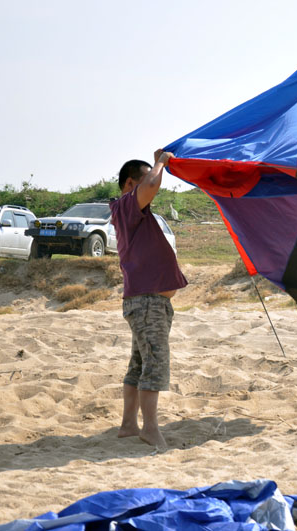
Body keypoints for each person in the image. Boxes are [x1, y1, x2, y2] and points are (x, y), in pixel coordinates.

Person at [111, 149, 187, 449]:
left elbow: (150, 187)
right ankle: (150, 429)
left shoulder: (130, 210)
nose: (151, 186)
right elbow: (152, 184)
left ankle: (129, 425)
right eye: (142, 181)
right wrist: (160, 162)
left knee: (139, 364)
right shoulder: (128, 204)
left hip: (146, 302)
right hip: (147, 303)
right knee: (154, 364)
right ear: (130, 184)